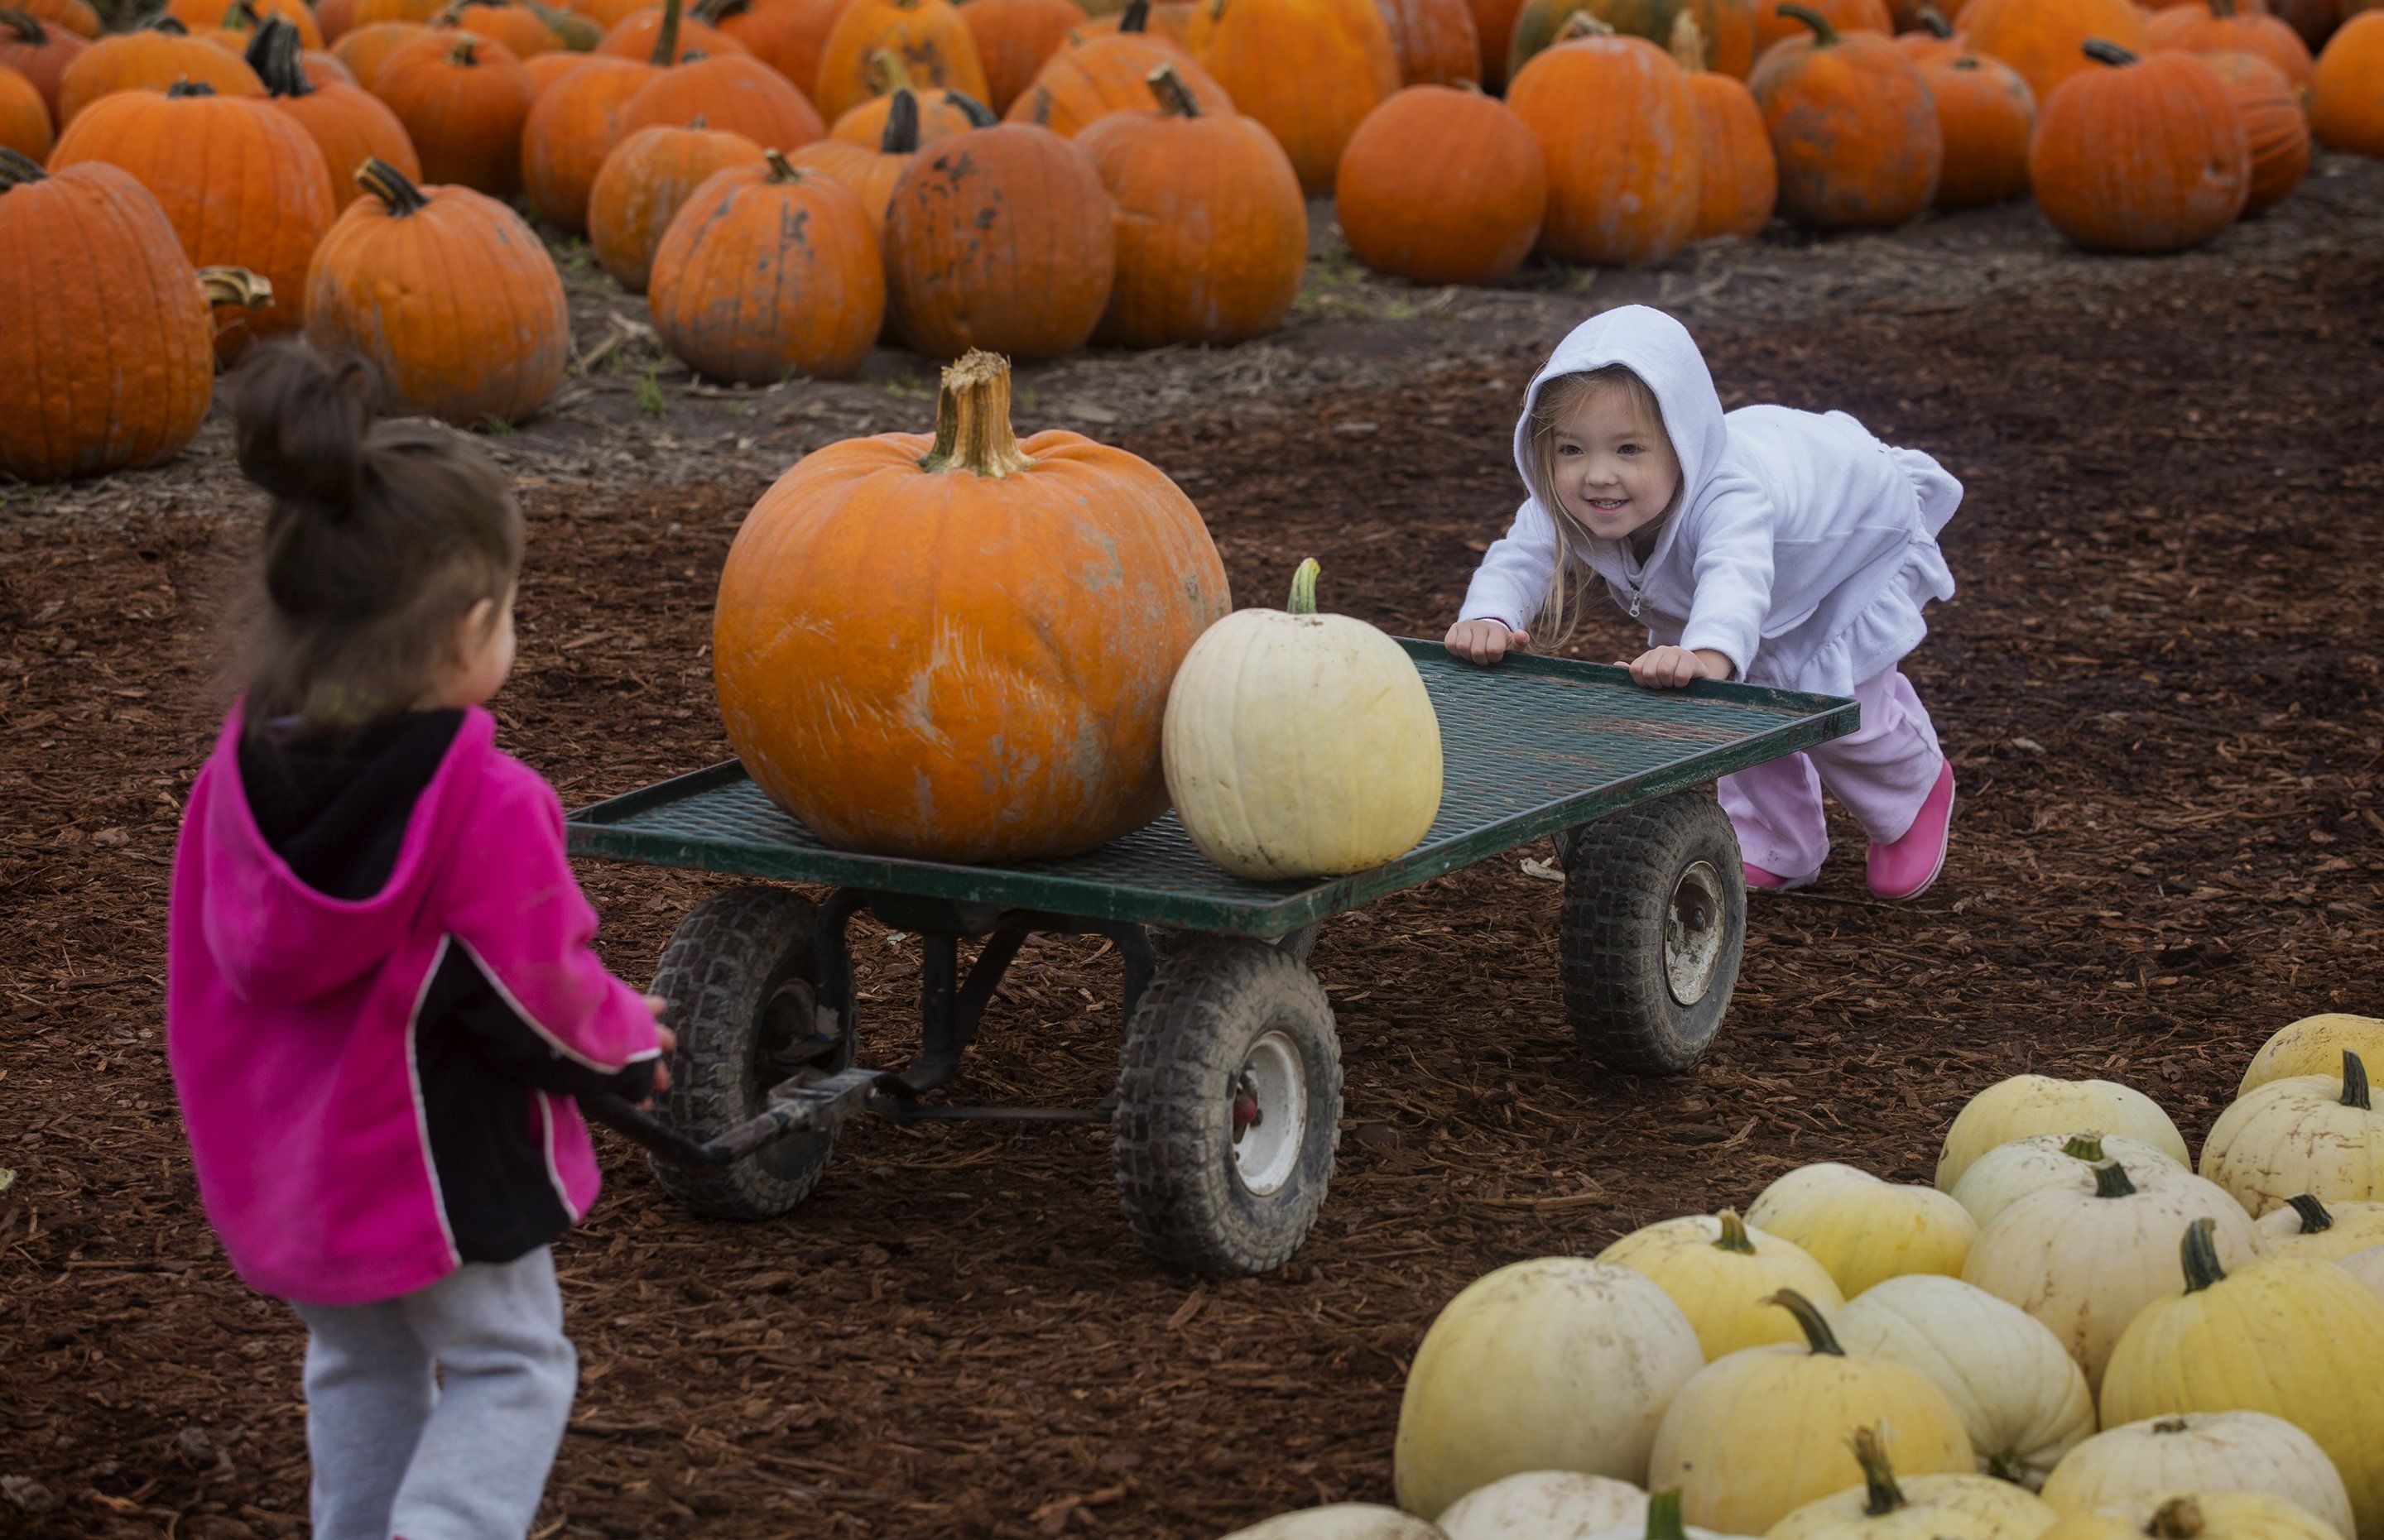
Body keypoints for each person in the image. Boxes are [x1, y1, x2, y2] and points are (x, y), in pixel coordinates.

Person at [164, 344, 671, 1540]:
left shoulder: (234, 779)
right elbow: (534, 985)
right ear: (465, 630)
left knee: (362, 1368)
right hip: (429, 1175)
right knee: (512, 1367)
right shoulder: (486, 804)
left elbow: (215, 970)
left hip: (290, 1175)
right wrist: (625, 1045)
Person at [1446, 305, 1960, 900]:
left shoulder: (1730, 495)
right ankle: (1779, 843)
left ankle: (1912, 796)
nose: (1598, 476)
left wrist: (1708, 654)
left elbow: (1735, 575)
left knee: (1843, 707)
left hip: (1841, 544)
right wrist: (1488, 617)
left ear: (1681, 446)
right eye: (1571, 450)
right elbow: (1520, 556)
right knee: (1734, 713)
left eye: (1629, 449)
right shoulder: (1567, 499)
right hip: (1752, 577)